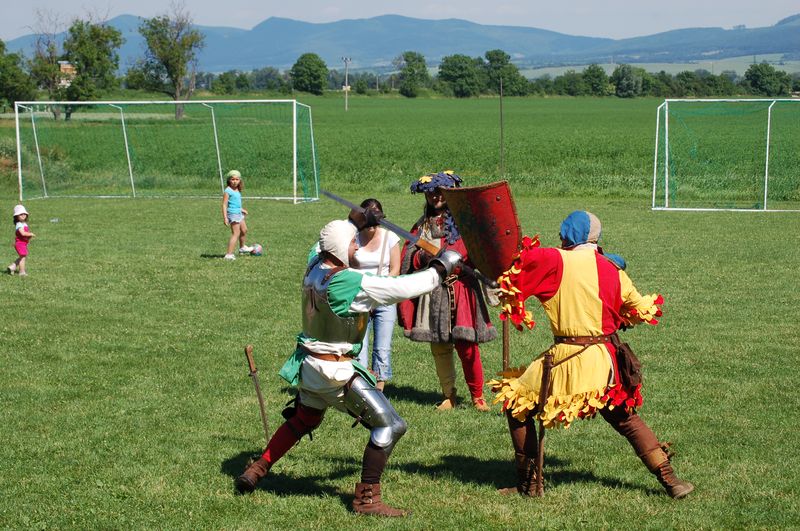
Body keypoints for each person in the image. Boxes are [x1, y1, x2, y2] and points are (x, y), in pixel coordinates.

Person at [235, 217, 462, 517]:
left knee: (304, 419)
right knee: (391, 426)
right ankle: (367, 499)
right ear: (340, 246)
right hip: (334, 372)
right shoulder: (347, 282)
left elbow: (321, 243)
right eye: (352, 241)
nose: (357, 246)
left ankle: (258, 468)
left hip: (309, 367)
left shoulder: (314, 265)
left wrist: (355, 219)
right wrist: (440, 269)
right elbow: (400, 287)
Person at [489, 210, 693, 498]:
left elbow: (513, 277)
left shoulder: (555, 260)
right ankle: (671, 481)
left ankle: (529, 484)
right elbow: (639, 310)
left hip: (570, 359)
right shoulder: (613, 269)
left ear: (566, 235)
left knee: (515, 402)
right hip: (607, 362)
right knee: (625, 419)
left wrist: (497, 268)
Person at [397, 171, 497, 412]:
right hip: (434, 290)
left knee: (467, 345)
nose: (435, 197)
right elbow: (409, 256)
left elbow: (482, 254)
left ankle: (477, 396)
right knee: (440, 345)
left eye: (440, 192)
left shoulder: (466, 223)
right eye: (431, 193)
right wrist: (422, 257)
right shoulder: (422, 226)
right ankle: (448, 395)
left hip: (462, 288)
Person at [351, 199, 402, 392]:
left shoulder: (390, 238)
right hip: (359, 298)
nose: (372, 224)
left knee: (382, 347)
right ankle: (362, 387)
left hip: (384, 298)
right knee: (359, 346)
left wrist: (379, 293)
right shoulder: (353, 238)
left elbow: (395, 270)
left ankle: (379, 389)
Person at [221, 170, 253, 260]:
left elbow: (235, 203)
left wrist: (241, 209)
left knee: (244, 230)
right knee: (236, 233)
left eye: (237, 179)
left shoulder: (237, 190)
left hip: (238, 213)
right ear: (229, 180)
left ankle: (242, 248)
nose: (235, 181)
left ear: (240, 180)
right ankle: (228, 255)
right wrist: (225, 217)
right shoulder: (228, 191)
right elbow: (224, 205)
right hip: (233, 214)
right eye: (232, 179)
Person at [7, 204, 35, 276]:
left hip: (23, 243)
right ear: (16, 216)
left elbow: (25, 235)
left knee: (22, 256)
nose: (23, 215)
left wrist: (28, 238)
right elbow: (22, 233)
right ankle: (22, 272)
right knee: (23, 258)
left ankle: (12, 266)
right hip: (20, 244)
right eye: (20, 214)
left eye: (24, 214)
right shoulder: (19, 224)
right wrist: (30, 234)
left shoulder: (24, 224)